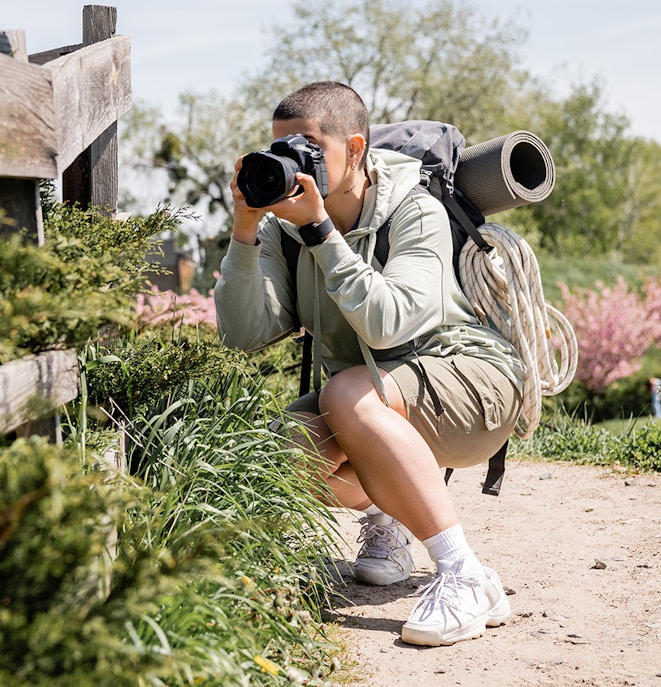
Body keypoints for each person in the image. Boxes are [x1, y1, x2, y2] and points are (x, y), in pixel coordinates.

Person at [213, 81, 526, 647]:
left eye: (305, 148)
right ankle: (390, 520)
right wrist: (243, 229)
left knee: (345, 395)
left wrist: (321, 231)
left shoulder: (415, 209)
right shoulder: (285, 231)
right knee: (280, 454)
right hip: (379, 399)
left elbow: (389, 323)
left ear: (354, 150)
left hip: (473, 385)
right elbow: (243, 332)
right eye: (279, 150)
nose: (290, 164)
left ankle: (464, 574)